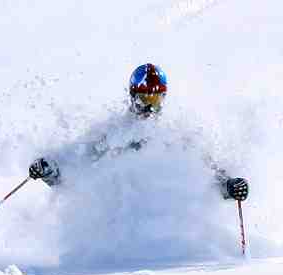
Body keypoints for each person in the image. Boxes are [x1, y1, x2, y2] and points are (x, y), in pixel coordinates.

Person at [28, 63, 249, 201]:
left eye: (155, 99)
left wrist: (229, 186)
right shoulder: (111, 136)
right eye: (144, 98)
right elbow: (72, 181)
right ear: (133, 96)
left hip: (169, 227)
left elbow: (208, 177)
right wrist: (49, 171)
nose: (149, 107)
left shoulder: (176, 136)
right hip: (117, 227)